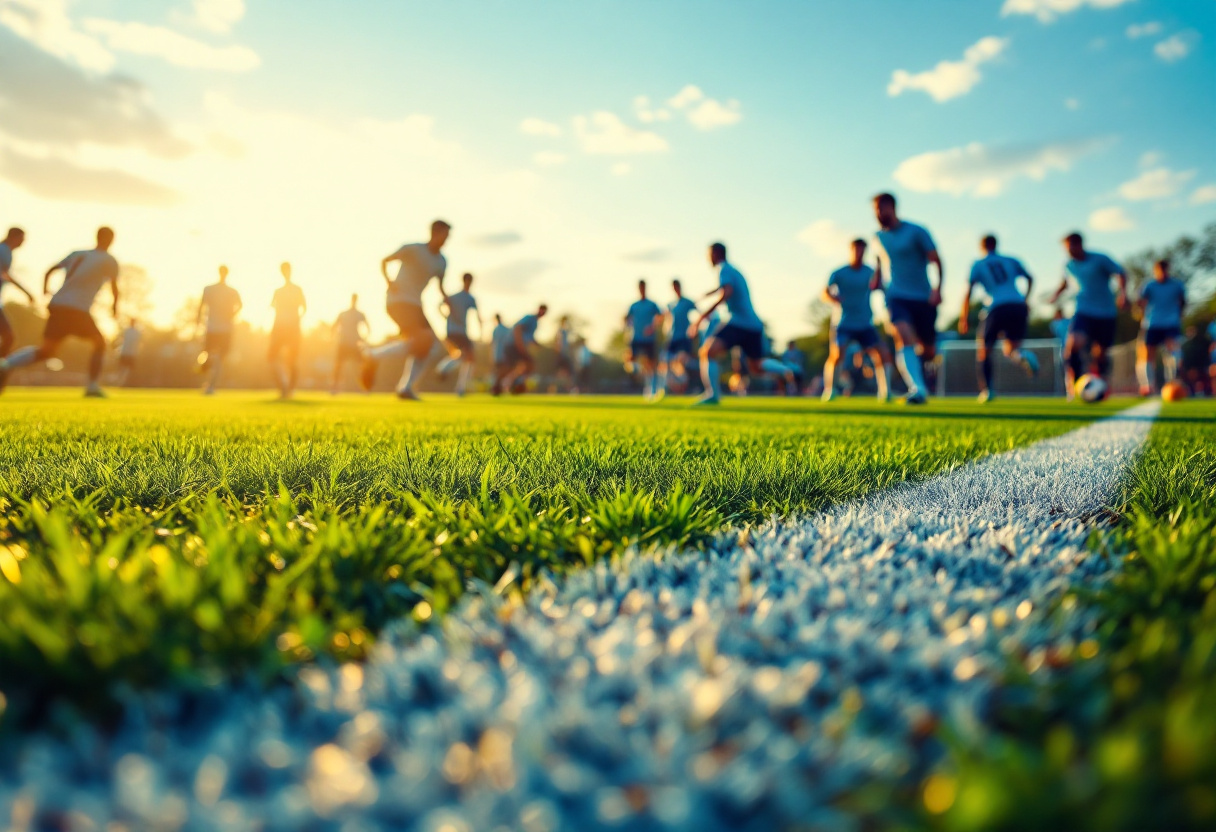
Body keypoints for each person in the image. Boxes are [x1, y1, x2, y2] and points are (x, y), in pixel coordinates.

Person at [0, 227, 119, 397]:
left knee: (47, 350)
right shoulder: (109, 260)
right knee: (99, 343)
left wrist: (45, 290)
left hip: (58, 305)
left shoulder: (77, 253)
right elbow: (114, 287)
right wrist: (115, 308)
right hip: (77, 309)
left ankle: (5, 365)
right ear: (111, 240)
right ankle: (92, 386)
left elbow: (51, 270)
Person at [692, 242, 792, 405]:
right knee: (756, 367)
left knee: (707, 352)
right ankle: (785, 370)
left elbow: (727, 292)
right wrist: (708, 293)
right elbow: (724, 288)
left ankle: (713, 395)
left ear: (715, 254)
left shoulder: (722, 269)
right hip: (753, 325)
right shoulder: (733, 270)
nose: (707, 258)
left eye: (708, 255)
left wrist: (702, 317)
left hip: (738, 322)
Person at [361, 220, 451, 401]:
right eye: (444, 235)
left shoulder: (441, 261)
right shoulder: (413, 249)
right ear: (435, 233)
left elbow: (440, 286)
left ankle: (397, 379)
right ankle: (381, 363)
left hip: (416, 305)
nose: (446, 240)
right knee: (423, 340)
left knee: (428, 346)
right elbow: (385, 261)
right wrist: (388, 282)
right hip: (398, 300)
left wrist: (448, 301)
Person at [872, 192, 943, 405]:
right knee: (902, 336)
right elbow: (880, 262)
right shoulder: (878, 237)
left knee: (928, 350)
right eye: (875, 209)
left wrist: (938, 288)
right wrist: (876, 278)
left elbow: (936, 260)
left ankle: (922, 375)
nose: (878, 213)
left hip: (922, 297)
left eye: (881, 208)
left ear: (892, 207)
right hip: (895, 296)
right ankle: (917, 389)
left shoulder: (916, 231)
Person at [958, 234, 1040, 403]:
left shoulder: (978, 264)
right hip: (1018, 305)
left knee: (984, 350)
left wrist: (963, 317)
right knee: (1011, 350)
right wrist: (1026, 299)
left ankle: (988, 390)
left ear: (981, 246)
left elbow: (968, 291)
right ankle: (1023, 354)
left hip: (995, 307)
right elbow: (1030, 278)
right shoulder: (1011, 260)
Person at [1049, 231, 1128, 400]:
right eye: (1066, 249)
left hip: (1106, 312)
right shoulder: (1068, 264)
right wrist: (1055, 295)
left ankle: (1099, 383)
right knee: (1073, 344)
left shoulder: (1100, 259)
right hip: (1083, 311)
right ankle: (1073, 386)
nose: (1068, 251)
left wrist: (1123, 294)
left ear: (1079, 245)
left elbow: (1121, 272)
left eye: (1071, 247)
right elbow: (1064, 283)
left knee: (1100, 352)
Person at [822, 238, 892, 402]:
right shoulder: (839, 272)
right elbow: (825, 292)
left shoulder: (869, 272)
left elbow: (879, 287)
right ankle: (830, 390)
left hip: (864, 323)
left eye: (862, 250)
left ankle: (885, 392)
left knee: (882, 353)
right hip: (844, 323)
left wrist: (880, 270)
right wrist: (833, 297)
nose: (859, 253)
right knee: (837, 354)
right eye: (856, 250)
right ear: (851, 250)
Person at [1135, 259, 1186, 397]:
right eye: (1159, 270)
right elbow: (1141, 302)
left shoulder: (1177, 285)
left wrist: (1180, 317)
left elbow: (1182, 302)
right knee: (1147, 353)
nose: (1162, 273)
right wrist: (1141, 316)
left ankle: (1172, 382)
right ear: (1155, 270)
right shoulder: (1149, 285)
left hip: (1171, 323)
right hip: (1152, 323)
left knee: (1173, 351)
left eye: (1165, 270)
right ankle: (1148, 385)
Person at [196, 265, 243, 395]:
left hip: (224, 329)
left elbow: (240, 305)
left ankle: (210, 386)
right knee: (212, 357)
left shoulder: (231, 291)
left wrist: (232, 315)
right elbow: (201, 305)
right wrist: (198, 320)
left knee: (218, 358)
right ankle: (208, 378)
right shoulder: (209, 289)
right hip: (212, 327)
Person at [436, 272, 480, 396]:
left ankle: (444, 369)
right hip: (454, 331)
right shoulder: (455, 297)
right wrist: (445, 317)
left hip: (459, 331)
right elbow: (439, 305)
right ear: (464, 281)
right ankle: (460, 387)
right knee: (469, 357)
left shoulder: (470, 298)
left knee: (465, 356)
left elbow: (477, 314)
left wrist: (481, 328)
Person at [0, 227, 35, 379]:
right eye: (22, 238)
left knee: (9, 336)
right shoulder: (3, 251)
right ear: (15, 237)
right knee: (9, 336)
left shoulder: (6, 251)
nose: (24, 242)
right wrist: (26, 291)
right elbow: (5, 274)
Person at [268, 262, 306, 398]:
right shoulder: (278, 291)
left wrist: (296, 319)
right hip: (279, 327)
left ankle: (290, 388)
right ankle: (283, 385)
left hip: (293, 328)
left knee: (292, 359)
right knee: (272, 358)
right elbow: (273, 307)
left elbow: (304, 307)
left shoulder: (297, 289)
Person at [496, 304, 548, 395]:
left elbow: (529, 338)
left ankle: (514, 384)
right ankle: (501, 385)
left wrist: (539, 345)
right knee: (515, 366)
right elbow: (517, 328)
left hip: (516, 346)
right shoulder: (529, 318)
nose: (542, 312)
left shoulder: (535, 324)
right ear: (538, 309)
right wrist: (519, 344)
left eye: (544, 311)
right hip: (512, 345)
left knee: (524, 365)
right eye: (541, 310)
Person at [658, 279, 698, 396]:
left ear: (680, 287)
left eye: (677, 287)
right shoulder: (670, 304)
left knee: (682, 362)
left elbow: (699, 312)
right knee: (665, 362)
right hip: (672, 337)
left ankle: (684, 382)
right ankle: (665, 388)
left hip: (684, 337)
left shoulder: (687, 302)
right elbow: (663, 316)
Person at [625, 279, 663, 400]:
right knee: (631, 360)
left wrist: (653, 327)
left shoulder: (652, 305)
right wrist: (627, 326)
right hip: (636, 337)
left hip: (649, 339)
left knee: (651, 365)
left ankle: (651, 390)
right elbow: (626, 319)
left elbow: (661, 316)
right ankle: (638, 370)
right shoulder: (633, 305)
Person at [331, 294, 368, 395]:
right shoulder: (343, 314)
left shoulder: (359, 314)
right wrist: (332, 337)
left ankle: (364, 388)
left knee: (361, 366)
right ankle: (335, 388)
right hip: (343, 343)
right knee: (338, 366)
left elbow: (367, 327)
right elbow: (334, 326)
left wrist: (364, 339)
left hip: (355, 343)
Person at [553, 315, 577, 393]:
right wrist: (559, 353)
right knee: (560, 373)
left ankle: (569, 389)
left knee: (567, 373)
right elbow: (558, 342)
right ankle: (553, 389)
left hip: (565, 355)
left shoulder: (566, 331)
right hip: (561, 355)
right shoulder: (560, 331)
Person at [114, 318, 141, 387]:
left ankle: (123, 383)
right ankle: (119, 382)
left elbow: (138, 343)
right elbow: (120, 339)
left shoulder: (136, 332)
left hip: (131, 353)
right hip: (124, 352)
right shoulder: (126, 331)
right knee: (122, 368)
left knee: (128, 369)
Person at [490, 313, 512, 394]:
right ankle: (497, 388)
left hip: (498, 355)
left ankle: (497, 388)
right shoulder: (506, 329)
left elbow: (492, 343)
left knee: (500, 372)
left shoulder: (496, 330)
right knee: (501, 372)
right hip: (503, 355)